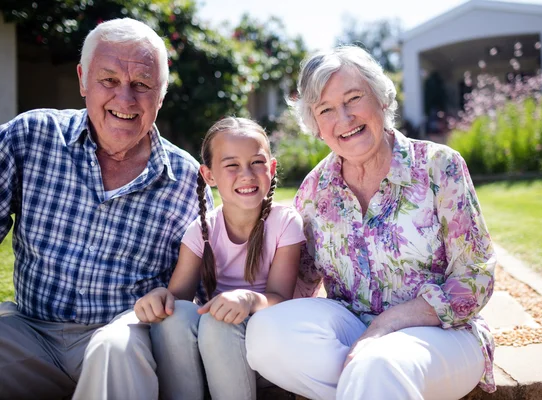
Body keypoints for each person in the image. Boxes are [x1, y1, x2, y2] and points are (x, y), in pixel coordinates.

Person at [245, 46, 497, 400]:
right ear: (316, 126)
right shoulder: (315, 191)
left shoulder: (439, 166)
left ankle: (372, 379)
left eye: (353, 98)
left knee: (380, 364)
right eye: (326, 110)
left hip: (444, 334)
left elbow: (476, 277)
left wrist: (386, 326)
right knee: (264, 335)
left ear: (381, 99)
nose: (344, 118)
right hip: (352, 333)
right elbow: (299, 286)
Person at [0, 18, 212, 400]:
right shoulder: (30, 136)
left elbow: (200, 294)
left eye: (142, 85)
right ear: (83, 79)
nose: (125, 100)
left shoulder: (186, 179)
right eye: (109, 80)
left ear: (161, 93)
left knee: (116, 348)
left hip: (122, 337)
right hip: (29, 332)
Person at [134, 116, 305, 400]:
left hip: (270, 329)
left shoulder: (285, 222)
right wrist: (159, 297)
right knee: (174, 317)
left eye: (257, 162)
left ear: (272, 168)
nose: (247, 174)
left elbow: (280, 298)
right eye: (232, 165)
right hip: (219, 337)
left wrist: (248, 300)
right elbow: (178, 299)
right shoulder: (201, 231)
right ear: (209, 175)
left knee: (217, 323)